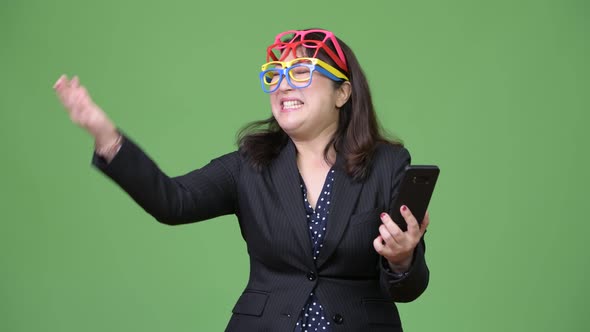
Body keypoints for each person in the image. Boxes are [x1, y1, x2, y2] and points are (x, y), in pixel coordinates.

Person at [53, 28, 430, 332]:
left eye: (300, 72)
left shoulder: (388, 164)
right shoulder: (249, 165)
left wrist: (402, 259)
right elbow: (173, 201)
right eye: (275, 76)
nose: (283, 86)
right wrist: (107, 137)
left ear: (342, 92)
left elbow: (408, 288)